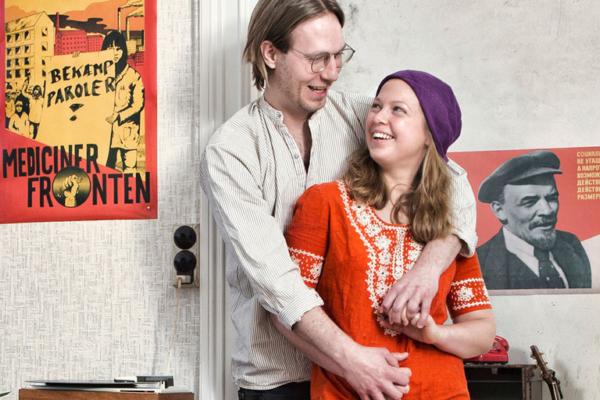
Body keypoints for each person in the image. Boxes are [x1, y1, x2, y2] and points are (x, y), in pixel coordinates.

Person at [200, 1, 479, 398]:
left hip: (366, 372)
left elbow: (451, 179)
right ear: (271, 54)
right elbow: (279, 284)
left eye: (338, 55)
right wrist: (351, 362)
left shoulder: (363, 115)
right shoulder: (231, 151)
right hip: (282, 379)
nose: (331, 72)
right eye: (317, 59)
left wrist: (427, 270)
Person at [278, 70, 495, 399]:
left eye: (398, 110)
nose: (378, 117)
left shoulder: (451, 225)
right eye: (377, 106)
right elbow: (284, 311)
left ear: (429, 134)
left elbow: (482, 332)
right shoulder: (325, 203)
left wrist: (434, 334)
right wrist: (349, 366)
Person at [477, 150, 591, 289]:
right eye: (529, 202)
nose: (547, 211)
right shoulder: (478, 264)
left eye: (552, 198)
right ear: (499, 210)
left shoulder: (571, 244)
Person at [103, 30, 145, 174]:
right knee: (106, 170)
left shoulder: (133, 76)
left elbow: (138, 104)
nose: (114, 53)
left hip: (127, 132)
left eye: (118, 48)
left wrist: (119, 115)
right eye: (110, 48)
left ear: (123, 51)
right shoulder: (100, 75)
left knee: (129, 170)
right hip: (106, 135)